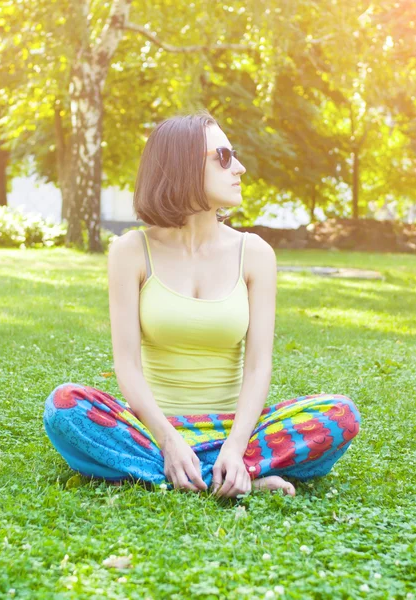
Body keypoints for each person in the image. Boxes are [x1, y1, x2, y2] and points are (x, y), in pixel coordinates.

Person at [43, 109, 361, 499]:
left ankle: (196, 471)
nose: (239, 167)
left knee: (340, 415)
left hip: (236, 430)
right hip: (153, 428)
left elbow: (259, 365)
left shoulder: (255, 253)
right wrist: (168, 439)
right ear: (182, 167)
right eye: (223, 157)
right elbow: (126, 364)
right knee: (63, 407)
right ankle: (229, 476)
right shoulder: (131, 251)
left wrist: (236, 444)